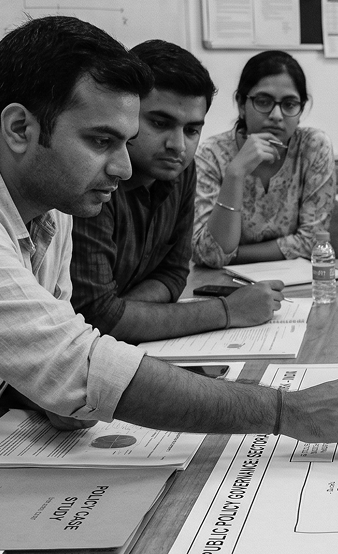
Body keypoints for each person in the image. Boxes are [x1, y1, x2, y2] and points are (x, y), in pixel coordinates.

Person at [0, 15, 338, 444]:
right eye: (100, 141)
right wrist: (284, 410)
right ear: (20, 128)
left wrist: (47, 391)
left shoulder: (56, 209)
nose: (123, 167)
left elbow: (63, 341)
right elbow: (78, 356)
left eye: (125, 141)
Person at [69, 40, 283, 343]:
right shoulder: (95, 178)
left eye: (192, 130)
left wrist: (124, 311)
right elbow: (97, 318)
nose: (178, 146)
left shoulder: (182, 170)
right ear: (126, 113)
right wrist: (227, 311)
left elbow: (173, 274)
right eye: (160, 123)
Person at [192, 50, 335, 268]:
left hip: (297, 283)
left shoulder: (313, 147)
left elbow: (312, 242)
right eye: (263, 101)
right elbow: (207, 254)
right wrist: (236, 173)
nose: (277, 115)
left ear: (300, 110)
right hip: (225, 287)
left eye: (289, 104)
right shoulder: (212, 154)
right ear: (241, 104)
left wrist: (232, 255)